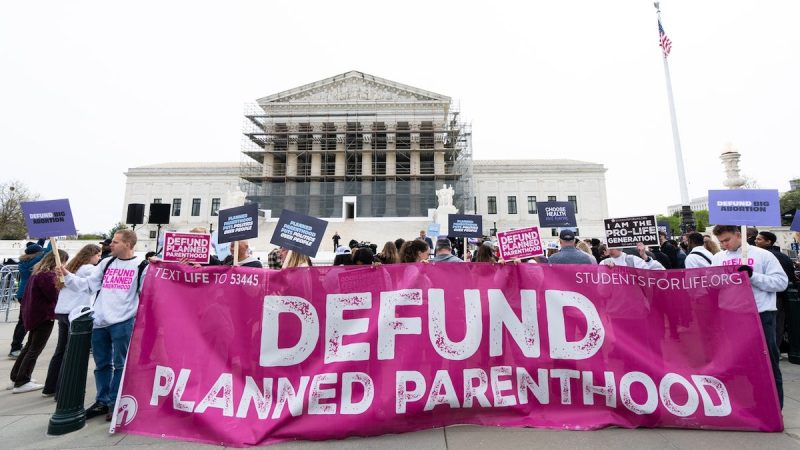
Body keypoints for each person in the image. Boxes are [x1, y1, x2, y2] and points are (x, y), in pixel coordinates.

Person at [57, 229, 148, 421]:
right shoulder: (106, 263)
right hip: (99, 321)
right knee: (102, 365)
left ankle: (115, 402)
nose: (110, 245)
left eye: (115, 242)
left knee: (120, 364)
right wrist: (67, 275)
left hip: (123, 321)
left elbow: (148, 293)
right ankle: (102, 400)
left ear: (128, 244)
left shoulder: (141, 265)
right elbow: (88, 285)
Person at [712, 225, 787, 408]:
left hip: (761, 315)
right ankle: (747, 406)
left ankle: (774, 408)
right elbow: (711, 285)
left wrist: (753, 276)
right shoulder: (718, 258)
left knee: (768, 364)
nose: (724, 244)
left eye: (727, 240)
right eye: (720, 241)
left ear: (739, 235)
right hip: (732, 316)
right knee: (738, 364)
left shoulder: (763, 255)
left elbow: (781, 283)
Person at [43, 244, 101, 398]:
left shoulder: (72, 266)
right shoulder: (89, 269)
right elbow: (100, 279)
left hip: (63, 311)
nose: (99, 258)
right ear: (90, 255)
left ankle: (50, 386)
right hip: (76, 313)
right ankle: (63, 390)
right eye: (98, 255)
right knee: (72, 353)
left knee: (61, 350)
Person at [9, 249, 69, 393]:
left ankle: (17, 376)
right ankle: (22, 380)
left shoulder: (38, 273)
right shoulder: (47, 276)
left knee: (30, 346)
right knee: (35, 349)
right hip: (43, 316)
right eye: (64, 261)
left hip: (35, 314)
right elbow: (53, 295)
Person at [755, 231, 799, 351]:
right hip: (783, 296)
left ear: (768, 241)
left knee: (774, 327)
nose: (755, 241)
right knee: (778, 325)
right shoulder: (782, 255)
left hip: (774, 296)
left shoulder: (767, 256)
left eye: (759, 239)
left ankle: (773, 352)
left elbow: (781, 280)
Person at [9, 239, 50, 359]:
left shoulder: (24, 261)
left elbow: (38, 249)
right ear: (37, 254)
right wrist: (54, 237)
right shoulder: (36, 260)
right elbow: (48, 251)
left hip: (22, 293)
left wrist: (42, 240)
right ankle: (15, 348)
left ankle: (16, 346)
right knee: (24, 323)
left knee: (22, 322)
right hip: (29, 294)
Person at [600, 243, 665, 269]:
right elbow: (601, 289)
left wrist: (645, 257)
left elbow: (659, 272)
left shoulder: (632, 260)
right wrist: (607, 271)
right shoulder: (604, 263)